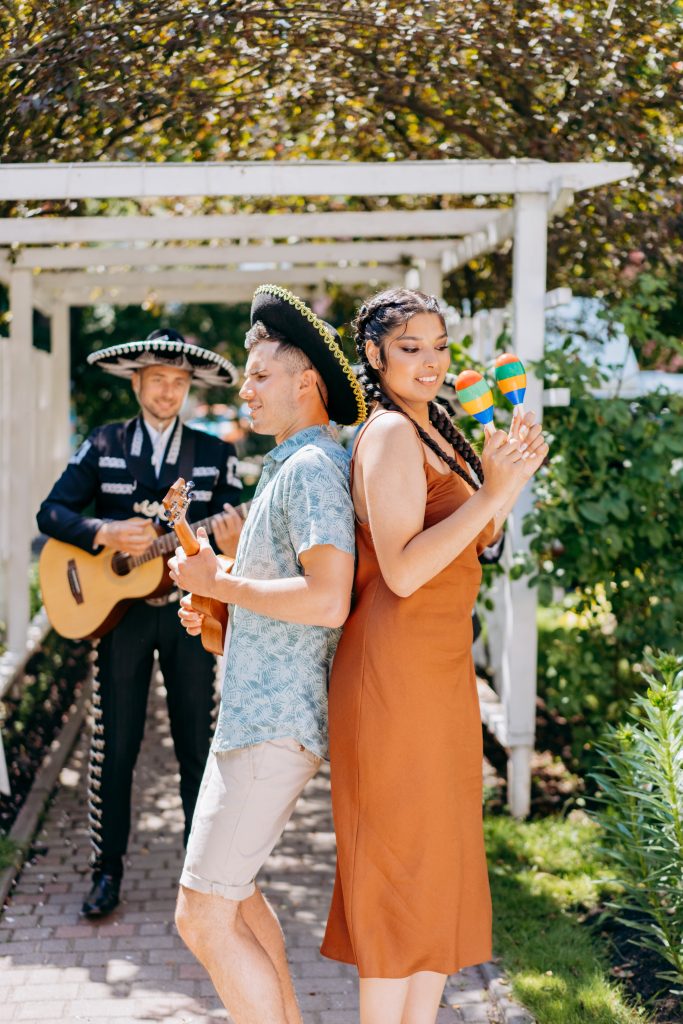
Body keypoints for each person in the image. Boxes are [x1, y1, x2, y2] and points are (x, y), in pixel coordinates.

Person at [320, 289, 549, 1024]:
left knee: (434, 873)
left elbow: (475, 540)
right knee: (397, 875)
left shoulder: (436, 431)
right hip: (392, 676)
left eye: (439, 345)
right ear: (375, 357)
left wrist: (501, 478)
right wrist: (495, 494)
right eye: (409, 347)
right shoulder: (387, 434)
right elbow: (404, 569)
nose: (429, 360)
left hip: (439, 672)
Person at [168, 285, 366, 1024]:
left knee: (201, 917)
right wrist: (219, 619)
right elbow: (283, 609)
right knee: (236, 898)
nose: (242, 389)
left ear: (305, 382)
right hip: (255, 722)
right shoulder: (288, 466)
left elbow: (326, 599)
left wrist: (220, 579)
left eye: (258, 375)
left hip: (271, 730)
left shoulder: (311, 470)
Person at [36, 328, 243, 918]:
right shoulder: (103, 444)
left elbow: (233, 543)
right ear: (137, 382)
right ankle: (106, 871)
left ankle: (200, 878)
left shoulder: (215, 455)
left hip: (189, 614)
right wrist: (100, 532)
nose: (168, 392)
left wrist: (229, 539)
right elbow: (50, 513)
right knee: (115, 745)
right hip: (118, 617)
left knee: (198, 745)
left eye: (179, 382)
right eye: (158, 380)